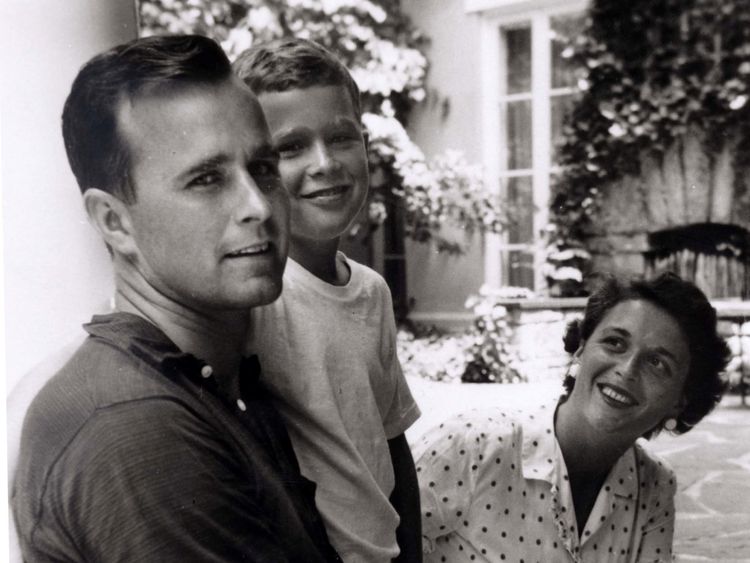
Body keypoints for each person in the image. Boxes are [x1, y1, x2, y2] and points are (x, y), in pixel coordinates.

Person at [12, 34, 341, 562]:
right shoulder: (132, 426)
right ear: (115, 222)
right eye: (207, 179)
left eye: (261, 168)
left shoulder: (215, 379)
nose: (257, 205)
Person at [233, 38, 422, 563]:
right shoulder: (254, 297)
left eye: (341, 138)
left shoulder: (372, 291)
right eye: (290, 147)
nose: (325, 163)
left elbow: (391, 441)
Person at [414, 272, 729, 562]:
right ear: (580, 351)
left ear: (680, 401)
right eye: (615, 342)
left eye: (658, 364)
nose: (627, 369)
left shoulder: (654, 486)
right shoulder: (474, 446)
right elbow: (371, 543)